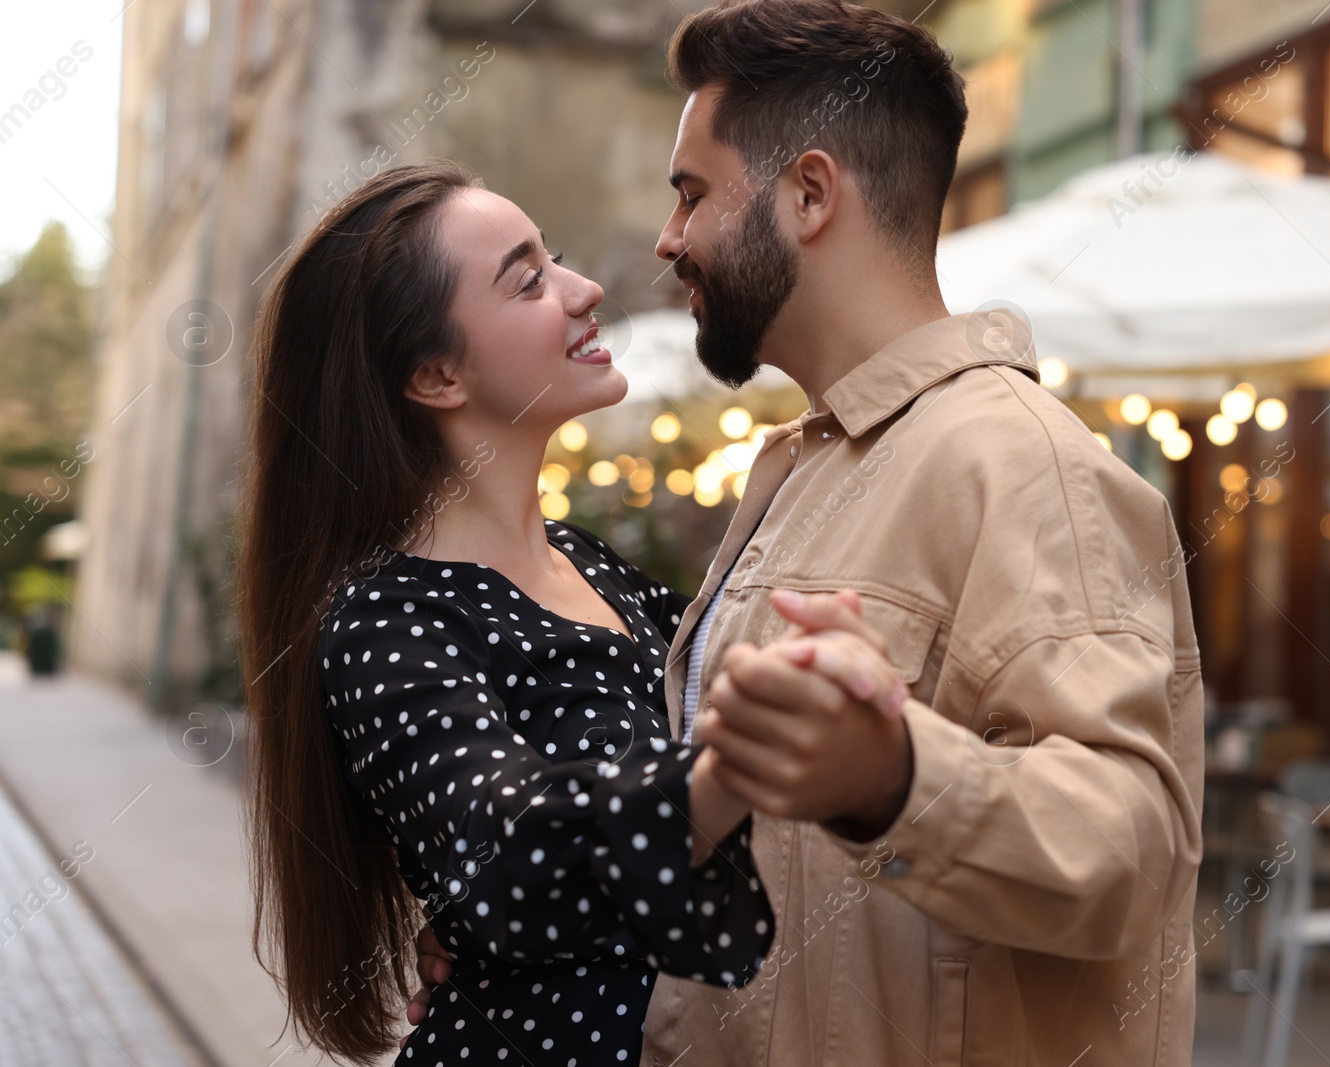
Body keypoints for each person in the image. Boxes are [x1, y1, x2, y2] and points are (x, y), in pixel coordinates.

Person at [417, 2, 1205, 1064]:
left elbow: (1127, 851)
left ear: (809, 193)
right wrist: (539, 946)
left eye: (691, 193)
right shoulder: (801, 467)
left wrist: (890, 775)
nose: (667, 239)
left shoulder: (1022, 465)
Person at [235, 161, 908, 1067]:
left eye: (553, 258)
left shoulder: (591, 561)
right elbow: (502, 846)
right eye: (530, 279)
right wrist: (740, 760)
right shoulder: (383, 618)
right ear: (436, 374)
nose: (585, 289)